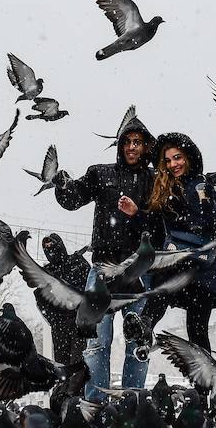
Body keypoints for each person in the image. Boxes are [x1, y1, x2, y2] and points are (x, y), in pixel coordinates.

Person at [53, 114, 156, 402]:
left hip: (138, 271)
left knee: (138, 339)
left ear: (147, 147)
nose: (132, 147)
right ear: (120, 144)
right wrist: (63, 186)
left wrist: (140, 213)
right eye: (127, 141)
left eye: (138, 142)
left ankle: (131, 404)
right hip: (102, 271)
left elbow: (161, 225)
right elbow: (74, 199)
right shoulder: (101, 174)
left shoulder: (154, 180)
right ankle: (95, 405)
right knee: (97, 341)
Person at [119, 132, 216, 353]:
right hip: (178, 260)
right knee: (162, 287)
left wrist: (209, 197)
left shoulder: (207, 183)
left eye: (177, 158)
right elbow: (155, 224)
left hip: (205, 267)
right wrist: (136, 213)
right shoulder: (166, 188)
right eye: (168, 160)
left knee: (196, 328)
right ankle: (145, 325)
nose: (173, 164)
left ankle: (205, 383)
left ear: (189, 157)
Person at [34, 233, 90, 365]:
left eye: (52, 245)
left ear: (60, 245)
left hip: (79, 322)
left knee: (78, 362)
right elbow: (40, 299)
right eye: (46, 247)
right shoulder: (46, 272)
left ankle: (78, 385)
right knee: (62, 365)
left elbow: (91, 286)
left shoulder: (77, 262)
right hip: (59, 326)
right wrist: (54, 320)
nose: (50, 250)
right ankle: (64, 386)